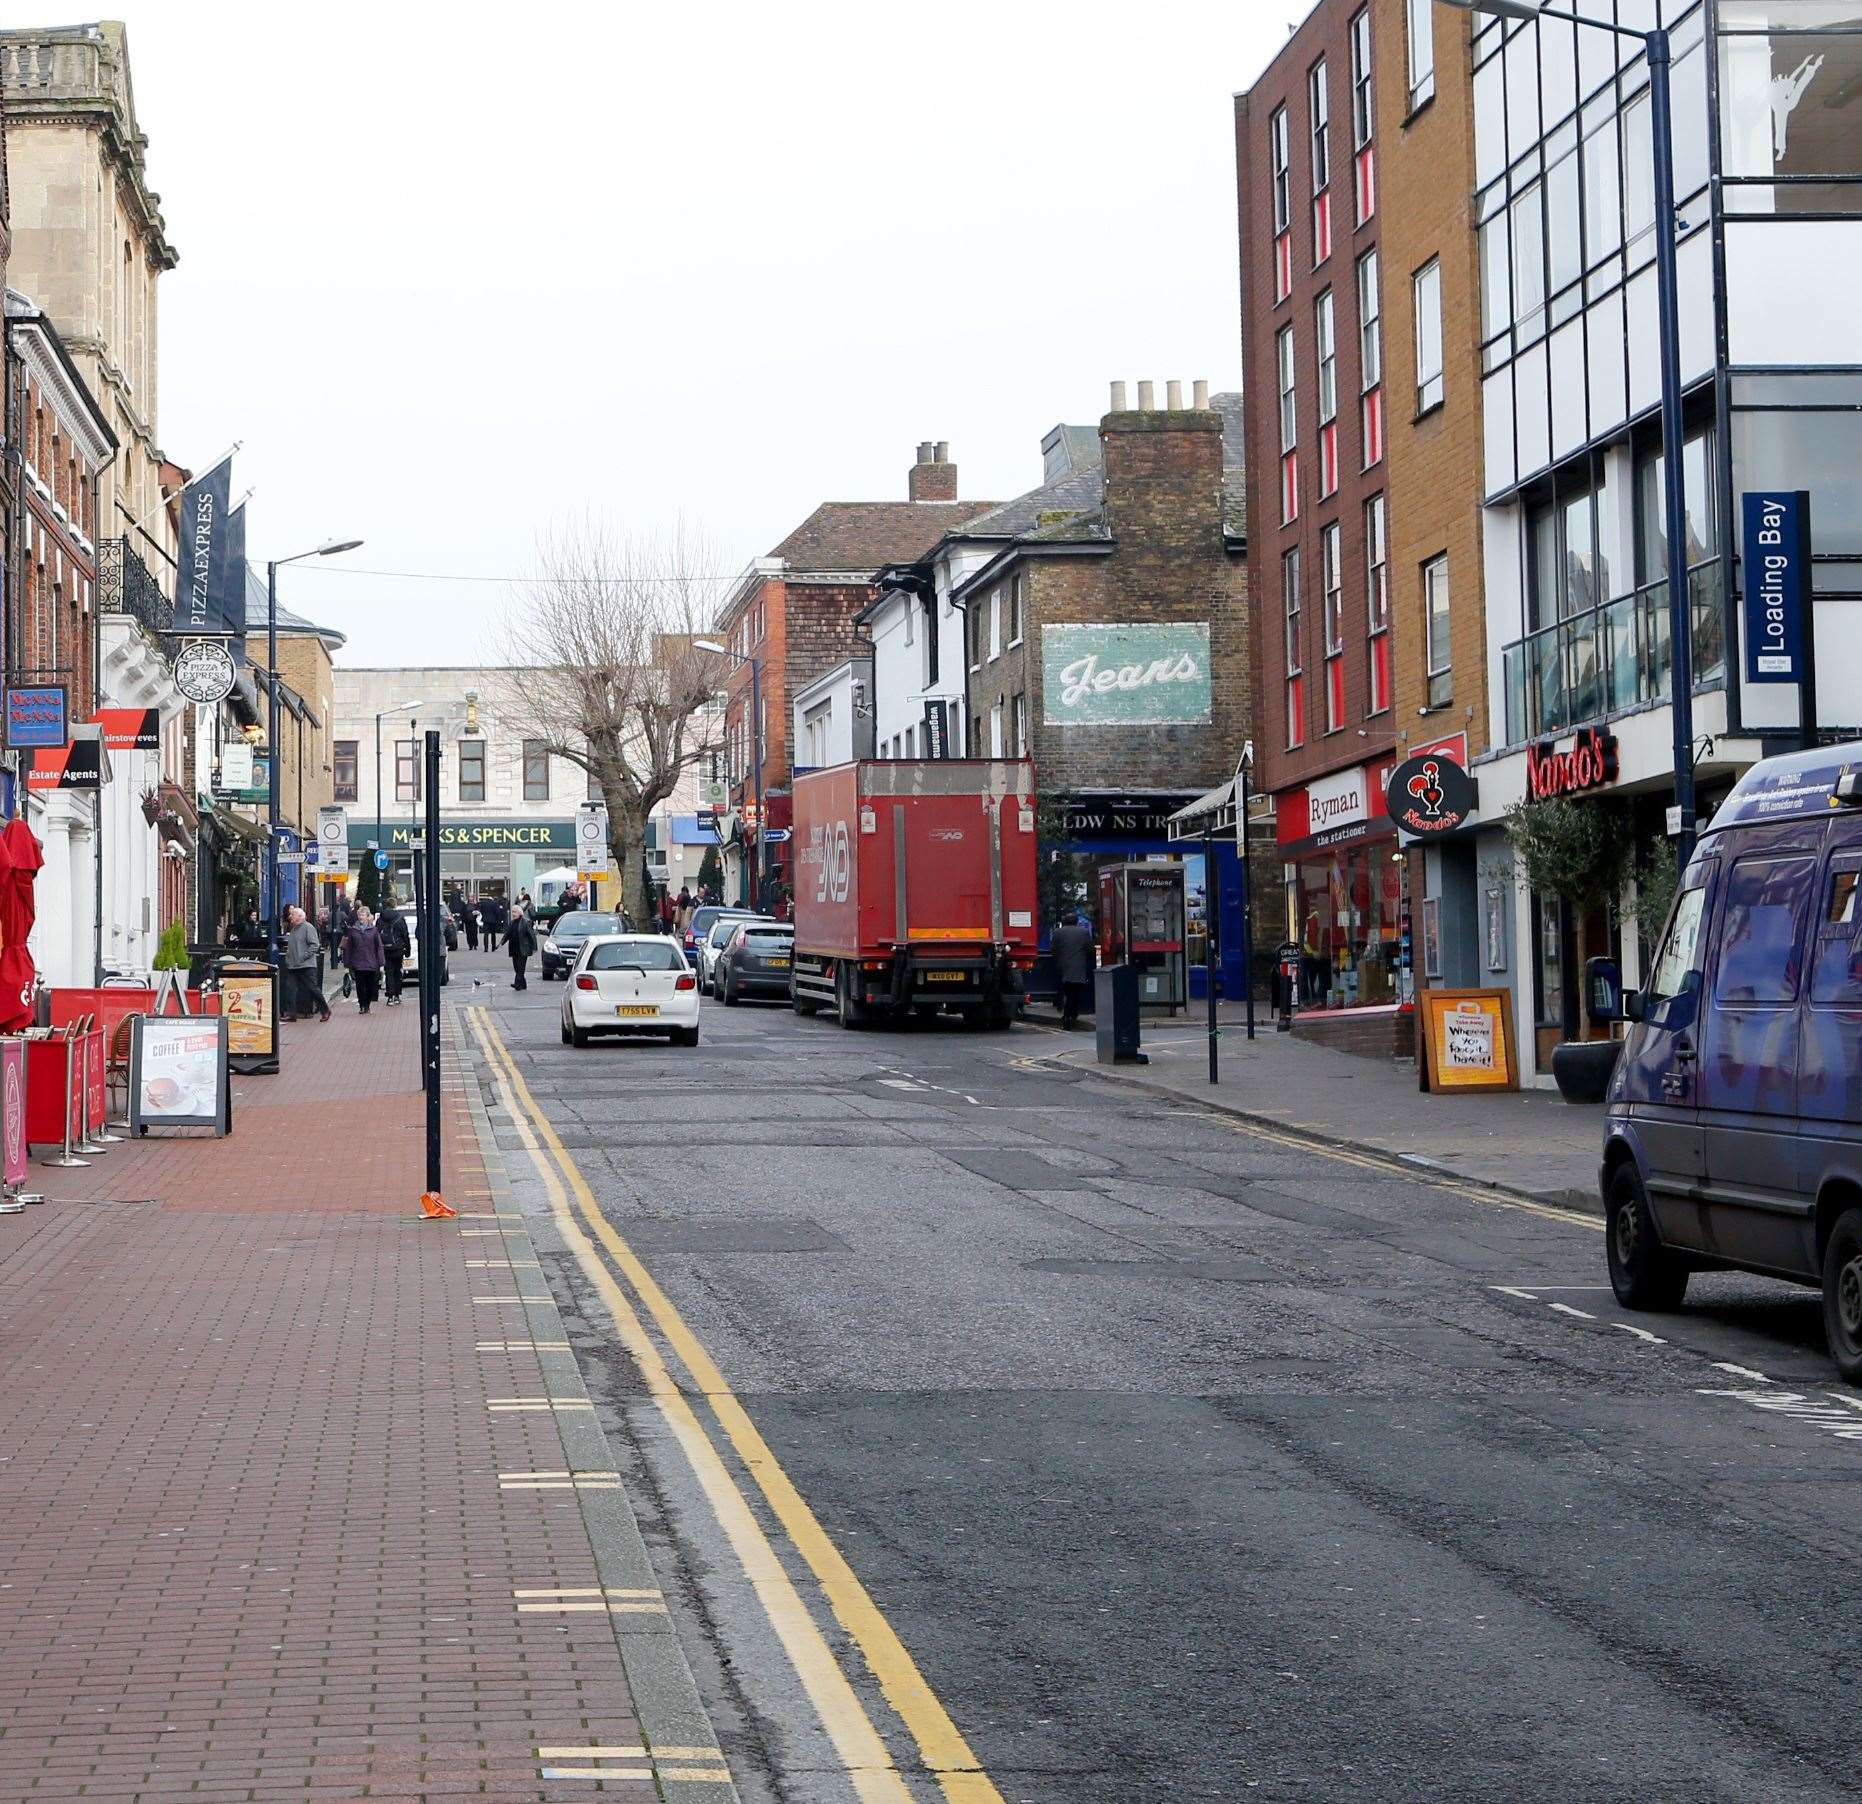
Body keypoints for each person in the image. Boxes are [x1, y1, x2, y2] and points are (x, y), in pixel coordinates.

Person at [282, 905, 331, 1022]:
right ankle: (291, 1013)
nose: (290, 917)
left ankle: (325, 1010)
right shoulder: (293, 929)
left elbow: (315, 945)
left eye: (292, 915)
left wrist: (303, 957)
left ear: (299, 916)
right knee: (290, 989)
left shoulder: (308, 928)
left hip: (306, 965)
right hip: (293, 965)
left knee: (313, 989)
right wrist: (289, 958)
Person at [1049, 910, 1096, 1030]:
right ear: (1076, 922)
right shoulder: (1084, 932)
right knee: (1076, 993)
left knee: (1067, 991)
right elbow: (1090, 949)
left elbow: (1053, 949)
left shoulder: (1058, 932)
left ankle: (1065, 1014)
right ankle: (1071, 1015)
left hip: (1063, 967)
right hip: (1078, 967)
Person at [339, 905, 385, 1014]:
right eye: (359, 914)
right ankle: (362, 1005)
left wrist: (381, 962)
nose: (360, 917)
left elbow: (378, 946)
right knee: (360, 985)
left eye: (363, 915)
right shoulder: (353, 930)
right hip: (358, 962)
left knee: (370, 986)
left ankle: (367, 1004)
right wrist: (347, 963)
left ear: (367, 916)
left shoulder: (373, 930)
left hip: (371, 961)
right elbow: (349, 947)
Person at [379, 900, 411, 1007]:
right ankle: (397, 995)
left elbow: (376, 934)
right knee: (397, 972)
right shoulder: (400, 918)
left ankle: (390, 997)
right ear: (395, 905)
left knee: (389, 972)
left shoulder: (380, 918)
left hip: (385, 949)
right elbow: (405, 934)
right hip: (398, 949)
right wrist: (408, 950)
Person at [506, 900, 537, 990]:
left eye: (515, 912)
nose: (513, 914)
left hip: (523, 948)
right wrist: (501, 943)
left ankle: (517, 985)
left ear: (520, 913)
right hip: (514, 948)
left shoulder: (525, 922)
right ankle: (523, 984)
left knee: (520, 968)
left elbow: (532, 935)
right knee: (516, 968)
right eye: (512, 912)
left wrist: (533, 947)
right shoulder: (512, 923)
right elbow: (508, 934)